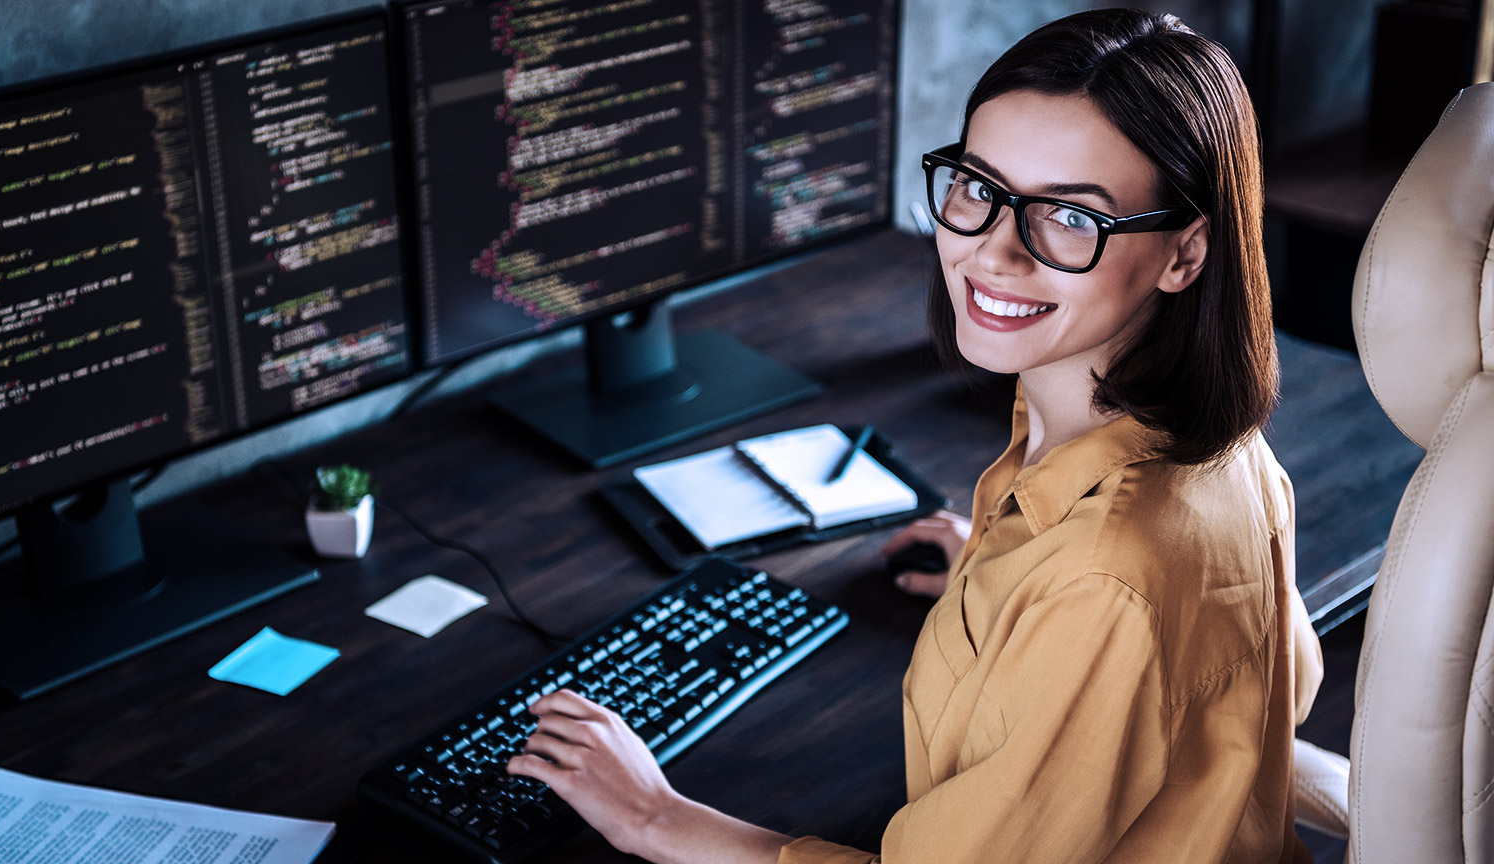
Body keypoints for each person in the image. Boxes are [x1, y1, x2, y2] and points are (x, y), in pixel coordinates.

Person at [507, 9, 1326, 863]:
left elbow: (1125, 603)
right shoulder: (1227, 455)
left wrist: (655, 818)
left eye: (1072, 218)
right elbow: (1280, 684)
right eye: (980, 188)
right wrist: (1010, 606)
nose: (997, 252)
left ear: (1185, 255)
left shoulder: (1105, 580)